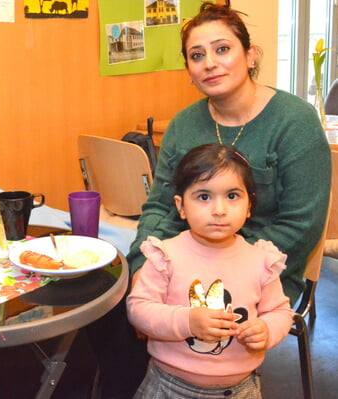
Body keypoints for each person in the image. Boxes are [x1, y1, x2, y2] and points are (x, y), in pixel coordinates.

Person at [127, 1, 331, 307]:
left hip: (263, 272)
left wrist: (211, 267)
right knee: (113, 308)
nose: (209, 63)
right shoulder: (183, 125)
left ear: (250, 56)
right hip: (182, 262)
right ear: (189, 72)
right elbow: (160, 207)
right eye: (197, 55)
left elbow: (300, 227)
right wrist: (141, 264)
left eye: (222, 49)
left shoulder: (295, 122)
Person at [127, 143, 294, 398]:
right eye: (204, 197)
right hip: (169, 386)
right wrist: (188, 321)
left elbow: (280, 311)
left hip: (241, 390)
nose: (219, 210)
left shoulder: (262, 260)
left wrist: (267, 329)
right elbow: (139, 308)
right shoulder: (165, 255)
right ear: (181, 206)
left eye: (232, 196)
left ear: (249, 206)